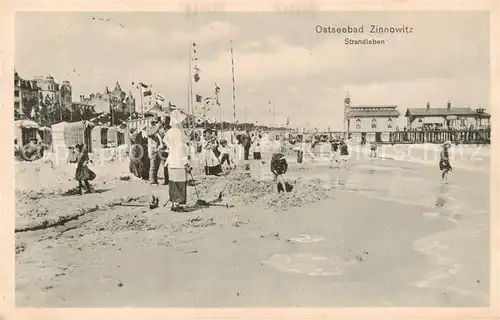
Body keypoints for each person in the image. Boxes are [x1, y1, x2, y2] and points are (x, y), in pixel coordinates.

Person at [164, 110, 190, 212]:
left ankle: (174, 203)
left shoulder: (170, 131)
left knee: (173, 182)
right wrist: (186, 162)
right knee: (180, 183)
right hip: (179, 161)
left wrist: (171, 147)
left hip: (171, 160)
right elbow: (180, 148)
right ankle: (177, 204)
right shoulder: (178, 132)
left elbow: (165, 140)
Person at [147, 117, 164, 185]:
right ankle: (152, 180)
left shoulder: (158, 131)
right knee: (153, 166)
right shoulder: (151, 130)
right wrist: (157, 126)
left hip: (158, 150)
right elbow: (150, 133)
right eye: (155, 123)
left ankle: (155, 180)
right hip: (153, 150)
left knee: (157, 166)